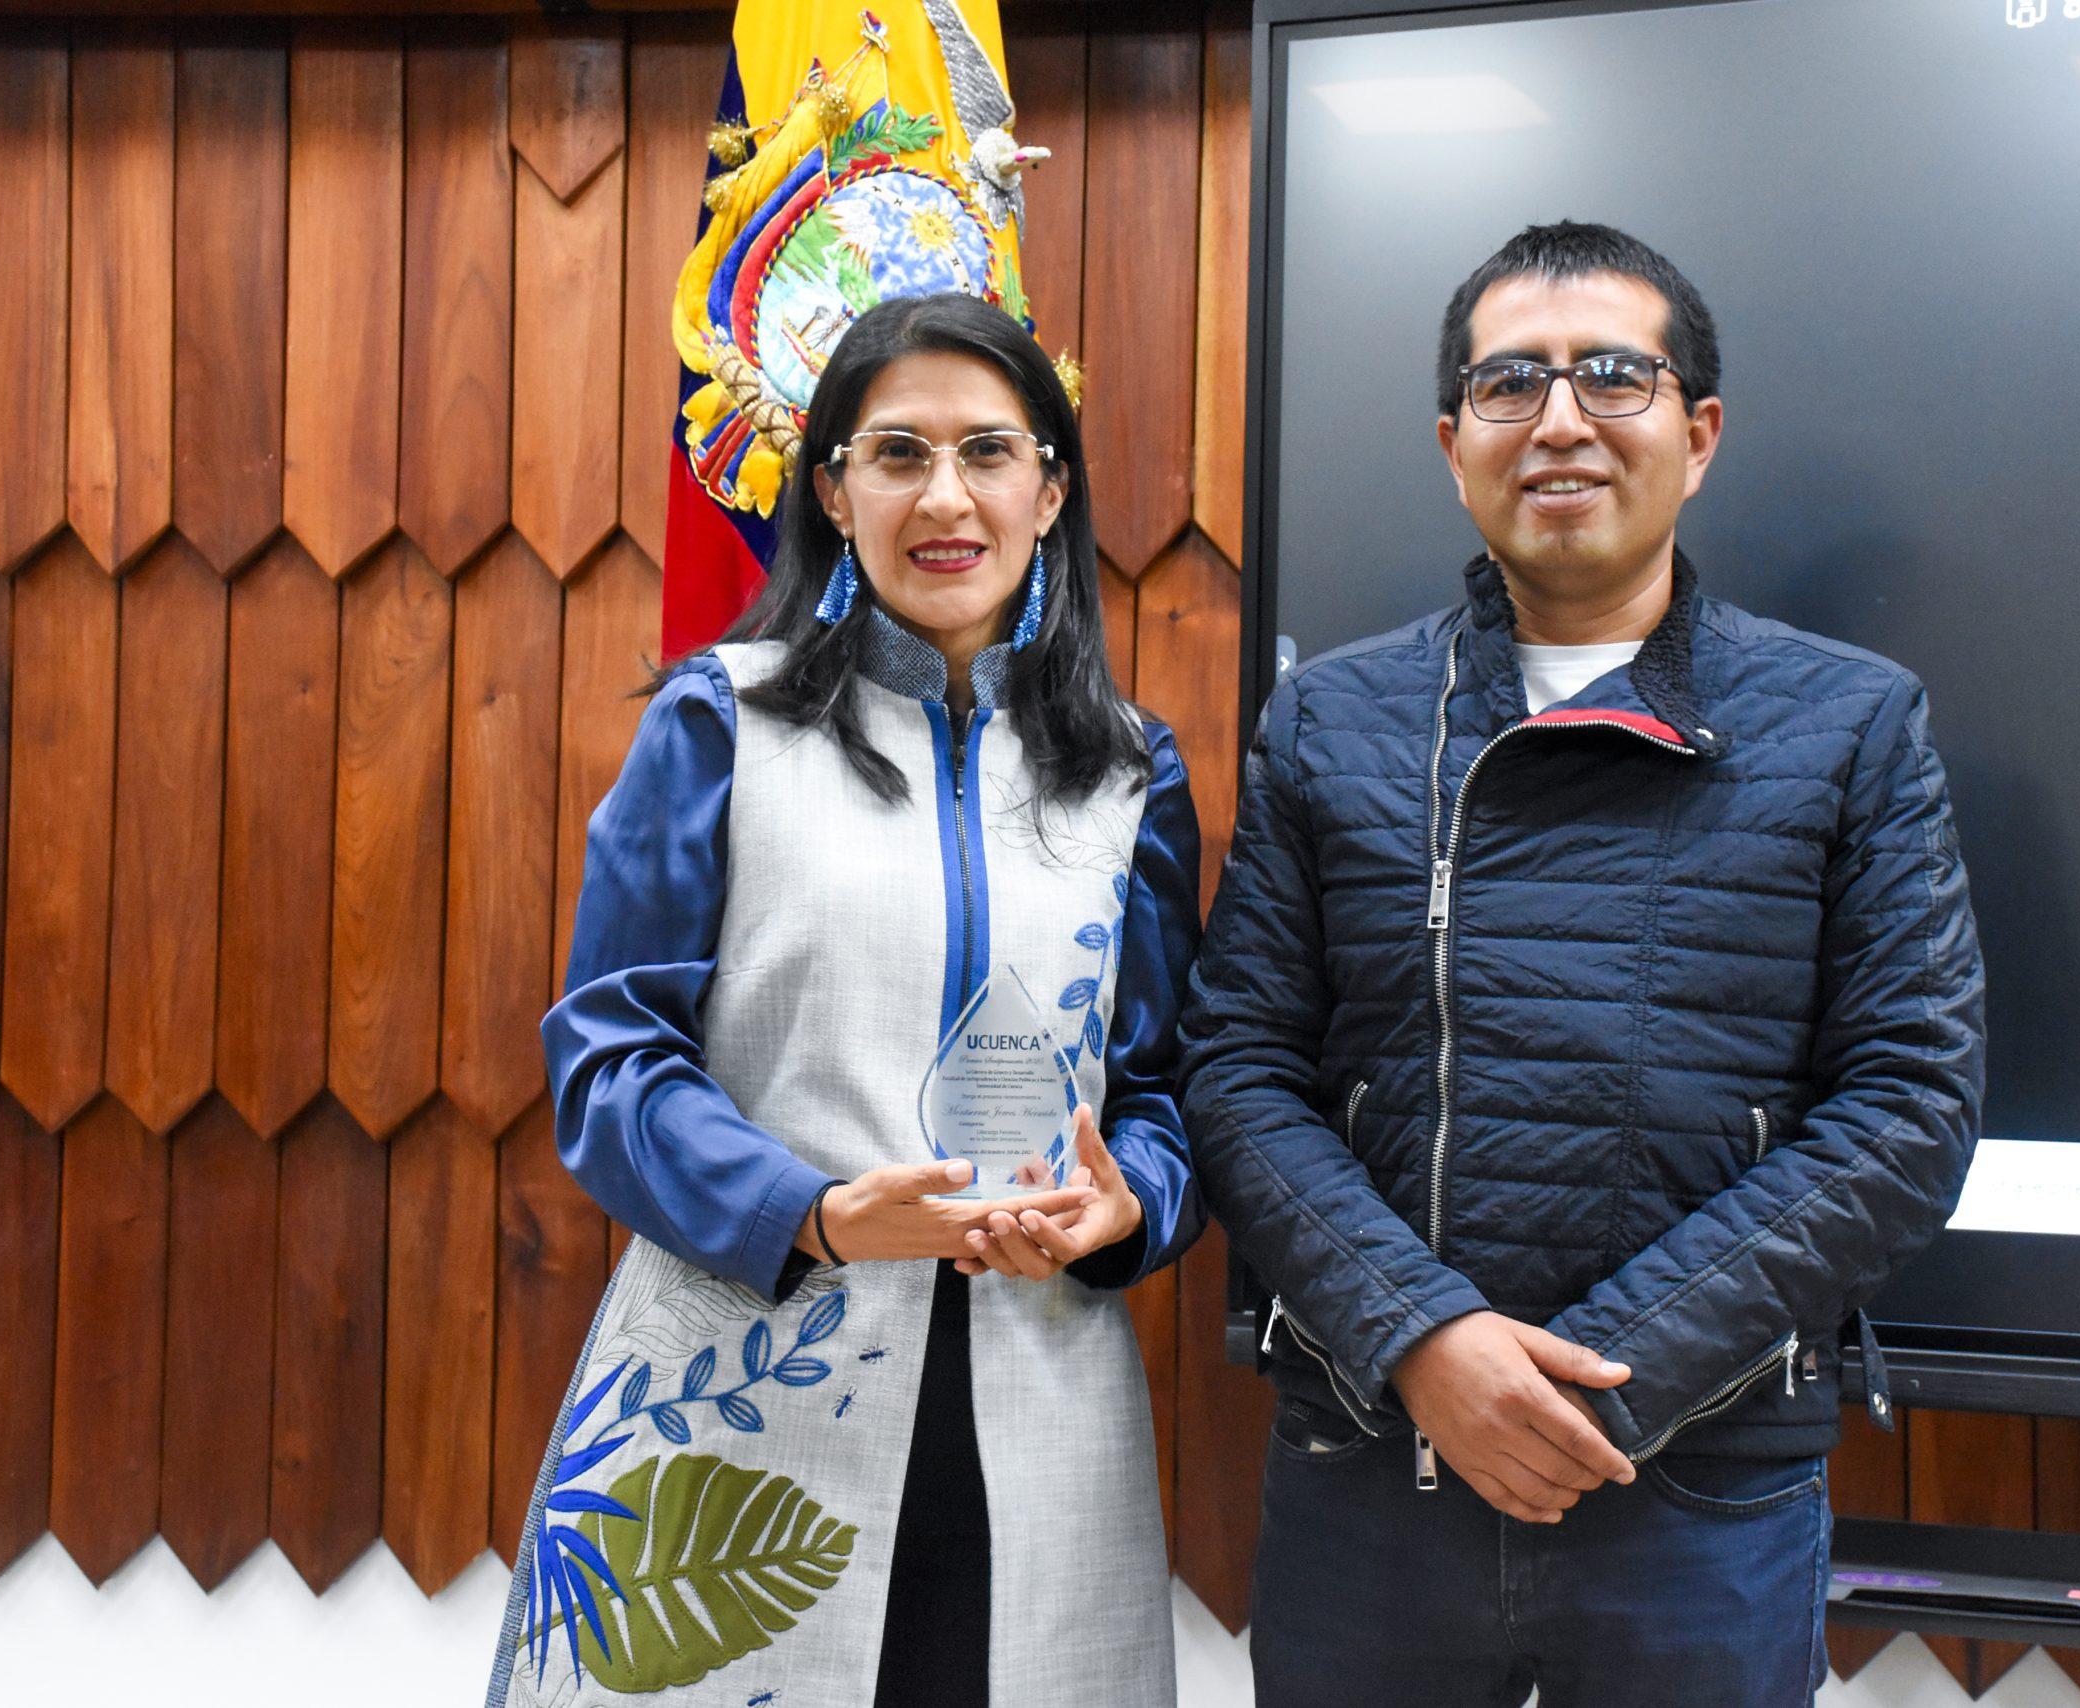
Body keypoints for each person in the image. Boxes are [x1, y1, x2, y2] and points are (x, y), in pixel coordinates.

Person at [1180, 221, 1986, 1705]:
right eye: (1510, 383)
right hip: (1372, 1468)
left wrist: (1602, 1375)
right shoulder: (1333, 719)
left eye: (1613, 375)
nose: (1560, 419)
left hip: (1703, 1486)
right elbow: (1237, 1072)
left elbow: (1909, 1110)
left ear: (1700, 432)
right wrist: (1426, 1340)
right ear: (1454, 445)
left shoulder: (1852, 721)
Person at [488, 292, 1202, 1708]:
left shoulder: (1131, 773)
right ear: (832, 490)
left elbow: (1166, 1088)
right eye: (898, 454)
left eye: (989, 452)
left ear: (1051, 491)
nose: (946, 497)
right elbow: (612, 1059)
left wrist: (1129, 1211)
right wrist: (809, 1211)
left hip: (1039, 1405)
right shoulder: (722, 721)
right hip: (740, 1390)